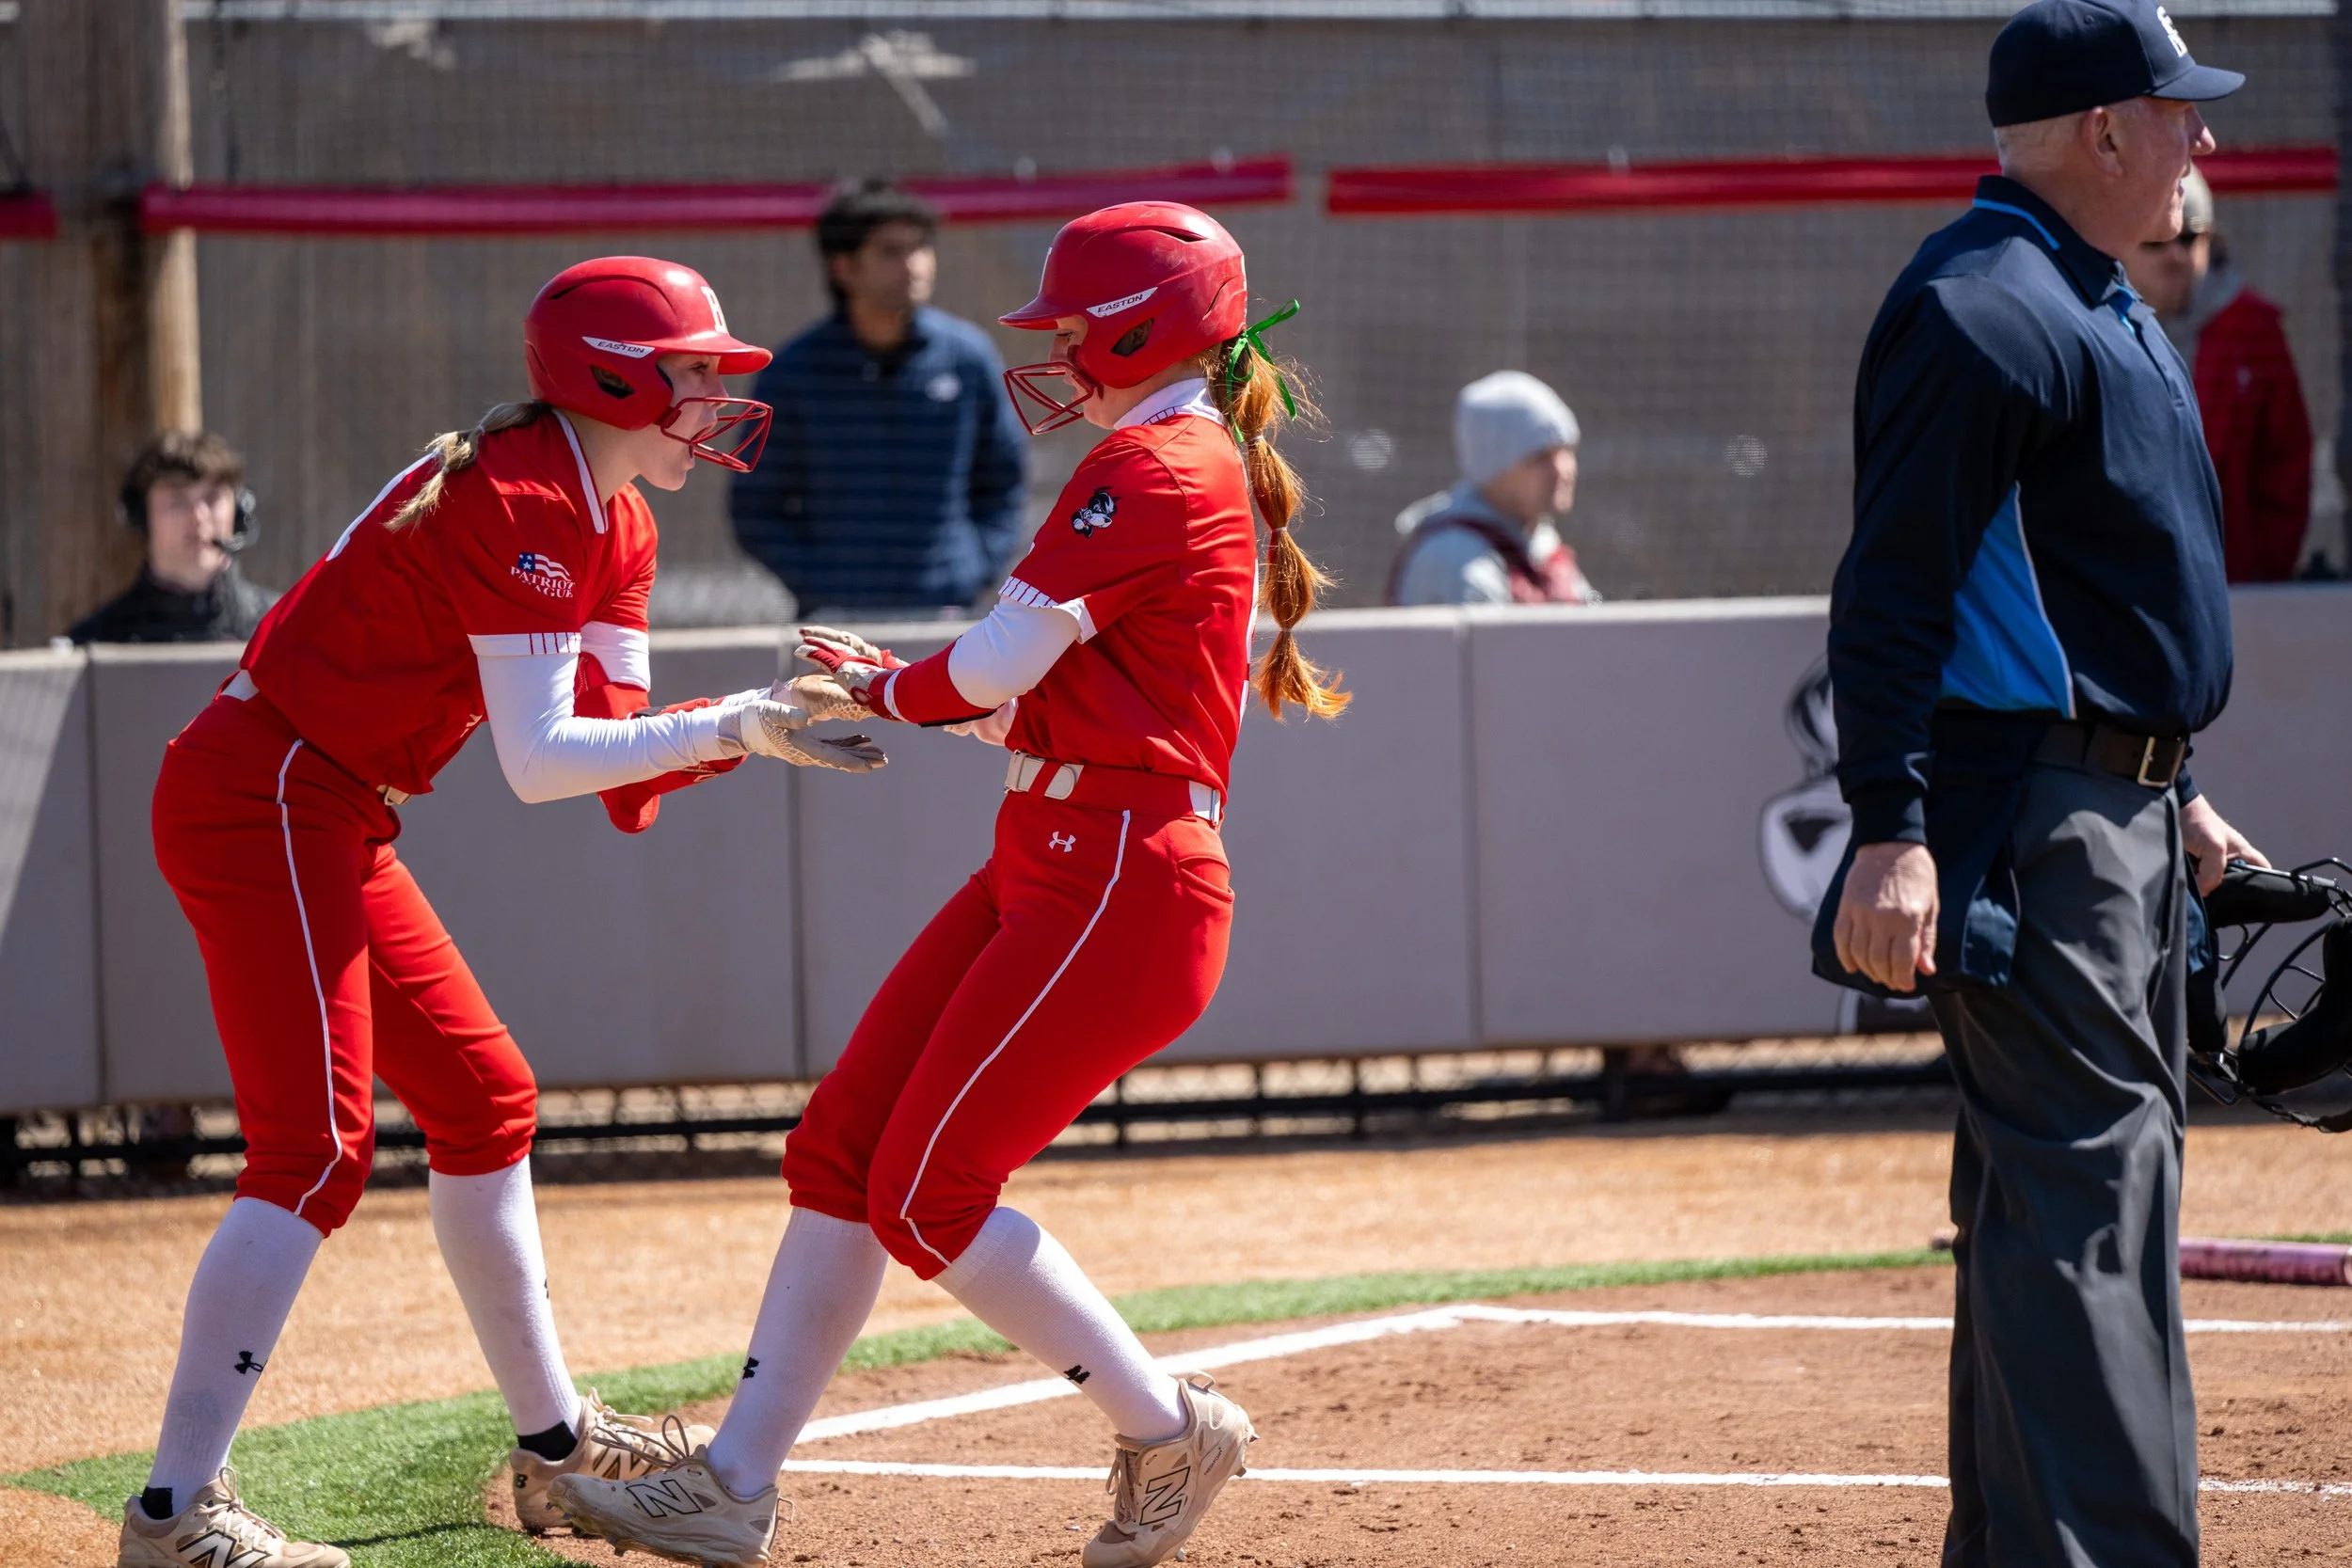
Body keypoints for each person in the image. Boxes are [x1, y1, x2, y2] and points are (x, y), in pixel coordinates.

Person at [548, 204, 1348, 1568]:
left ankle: (1167, 1426)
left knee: (926, 1189)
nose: (1059, 351)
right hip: (1055, 857)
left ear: (1147, 327)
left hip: (1120, 879)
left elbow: (985, 670)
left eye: (1078, 329)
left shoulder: (1158, 460)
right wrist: (913, 686)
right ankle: (734, 1482)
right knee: (845, 1152)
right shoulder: (1155, 452)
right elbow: (1027, 702)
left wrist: (887, 688)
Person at [122, 257, 884, 1568]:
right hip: (269, 788)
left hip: (329, 800)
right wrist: (742, 727)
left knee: (483, 1093)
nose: (714, 391)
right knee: (311, 1151)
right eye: (693, 369)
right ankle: (174, 1510)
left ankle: (552, 1447)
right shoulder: (524, 491)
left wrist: (762, 720)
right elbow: (540, 761)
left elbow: (614, 776)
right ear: (611, 376)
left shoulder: (621, 518)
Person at [1820, 5, 2267, 1563]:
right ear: (2101, 130)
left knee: (2063, 1201)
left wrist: (2183, 796)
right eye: (2177, 111)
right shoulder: (1979, 308)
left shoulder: (2094, 300)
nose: (2200, 139)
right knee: (2088, 1205)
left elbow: (2101, 590)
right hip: (2038, 823)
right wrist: (1889, 823)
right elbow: (1894, 593)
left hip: (2123, 814)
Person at [729, 180, 1027, 617]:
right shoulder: (794, 371)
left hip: (946, 613)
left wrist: (971, 571)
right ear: (843, 267)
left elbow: (1005, 479)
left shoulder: (968, 357)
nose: (914, 265)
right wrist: (821, 587)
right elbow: (755, 507)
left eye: (921, 246)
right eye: (890, 251)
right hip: (835, 621)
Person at [2123, 166, 2315, 582]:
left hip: (2234, 582)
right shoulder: (2092, 329)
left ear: (2210, 239)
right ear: (2121, 248)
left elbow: (2287, 470)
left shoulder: (2251, 330)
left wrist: (2259, 573)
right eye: (2157, 241)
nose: (2175, 254)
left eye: (2189, 237)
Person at [1388, 371, 1599, 606]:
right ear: (1493, 469)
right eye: (1540, 458)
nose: (1562, 470)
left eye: (1566, 451)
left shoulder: (1536, 538)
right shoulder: (1455, 558)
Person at [71, 430, 278, 644]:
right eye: (178, 500)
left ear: (238, 511)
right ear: (141, 516)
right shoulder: (97, 642)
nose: (199, 517)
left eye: (212, 498)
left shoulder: (281, 631)